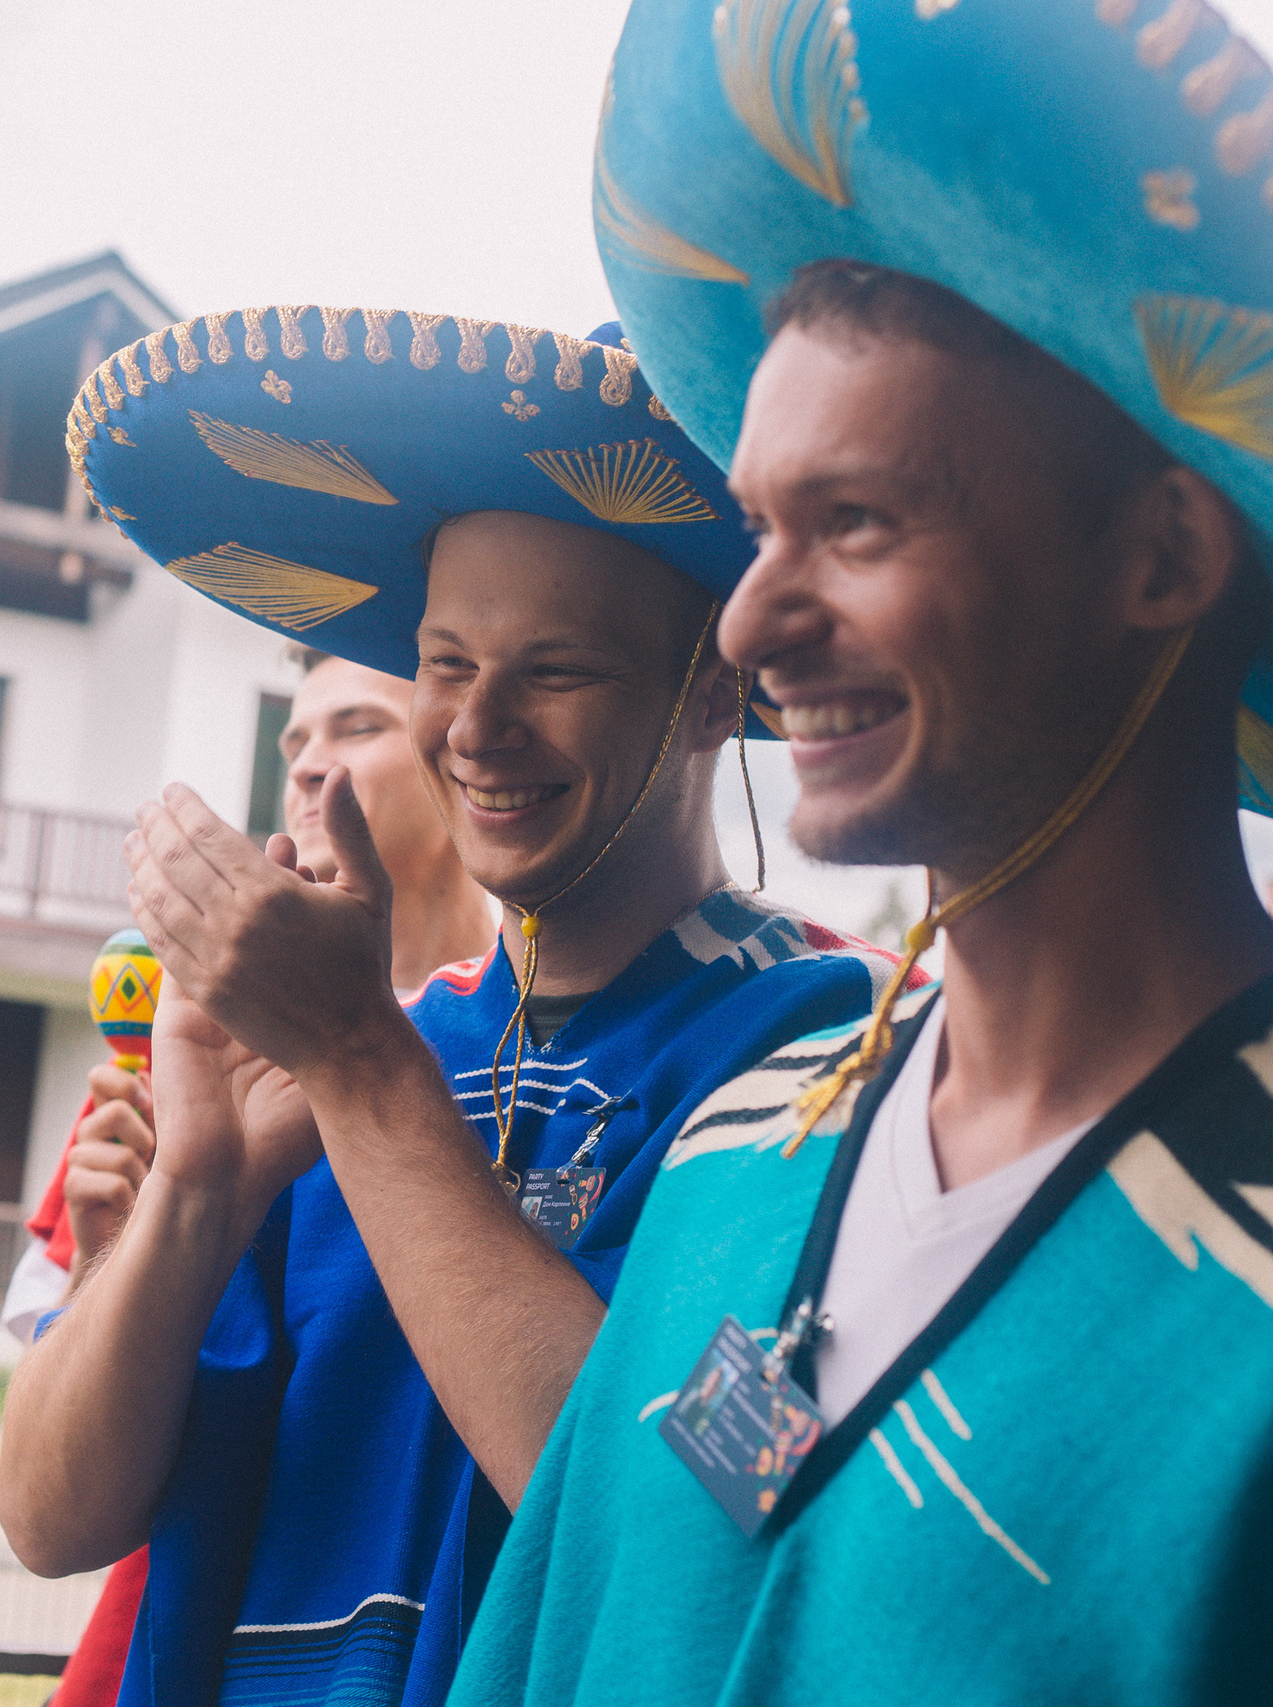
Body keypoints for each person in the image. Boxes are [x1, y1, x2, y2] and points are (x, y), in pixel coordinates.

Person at [448, 7, 1273, 1702]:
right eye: (757, 527)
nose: (750, 620)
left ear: (1166, 552)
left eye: (858, 524)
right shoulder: (732, 1159)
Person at [6, 308, 909, 1707]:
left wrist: (361, 1063)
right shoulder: (345, 1046)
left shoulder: (834, 1047)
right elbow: (50, 1517)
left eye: (557, 668)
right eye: (444, 663)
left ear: (716, 684)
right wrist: (200, 1175)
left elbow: (702, 1505)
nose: (478, 726)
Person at [0, 645, 495, 1707]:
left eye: (357, 726)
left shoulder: (530, 1053)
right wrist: (127, 1255)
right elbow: (46, 1510)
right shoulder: (208, 1057)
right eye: (294, 738)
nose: (311, 766)